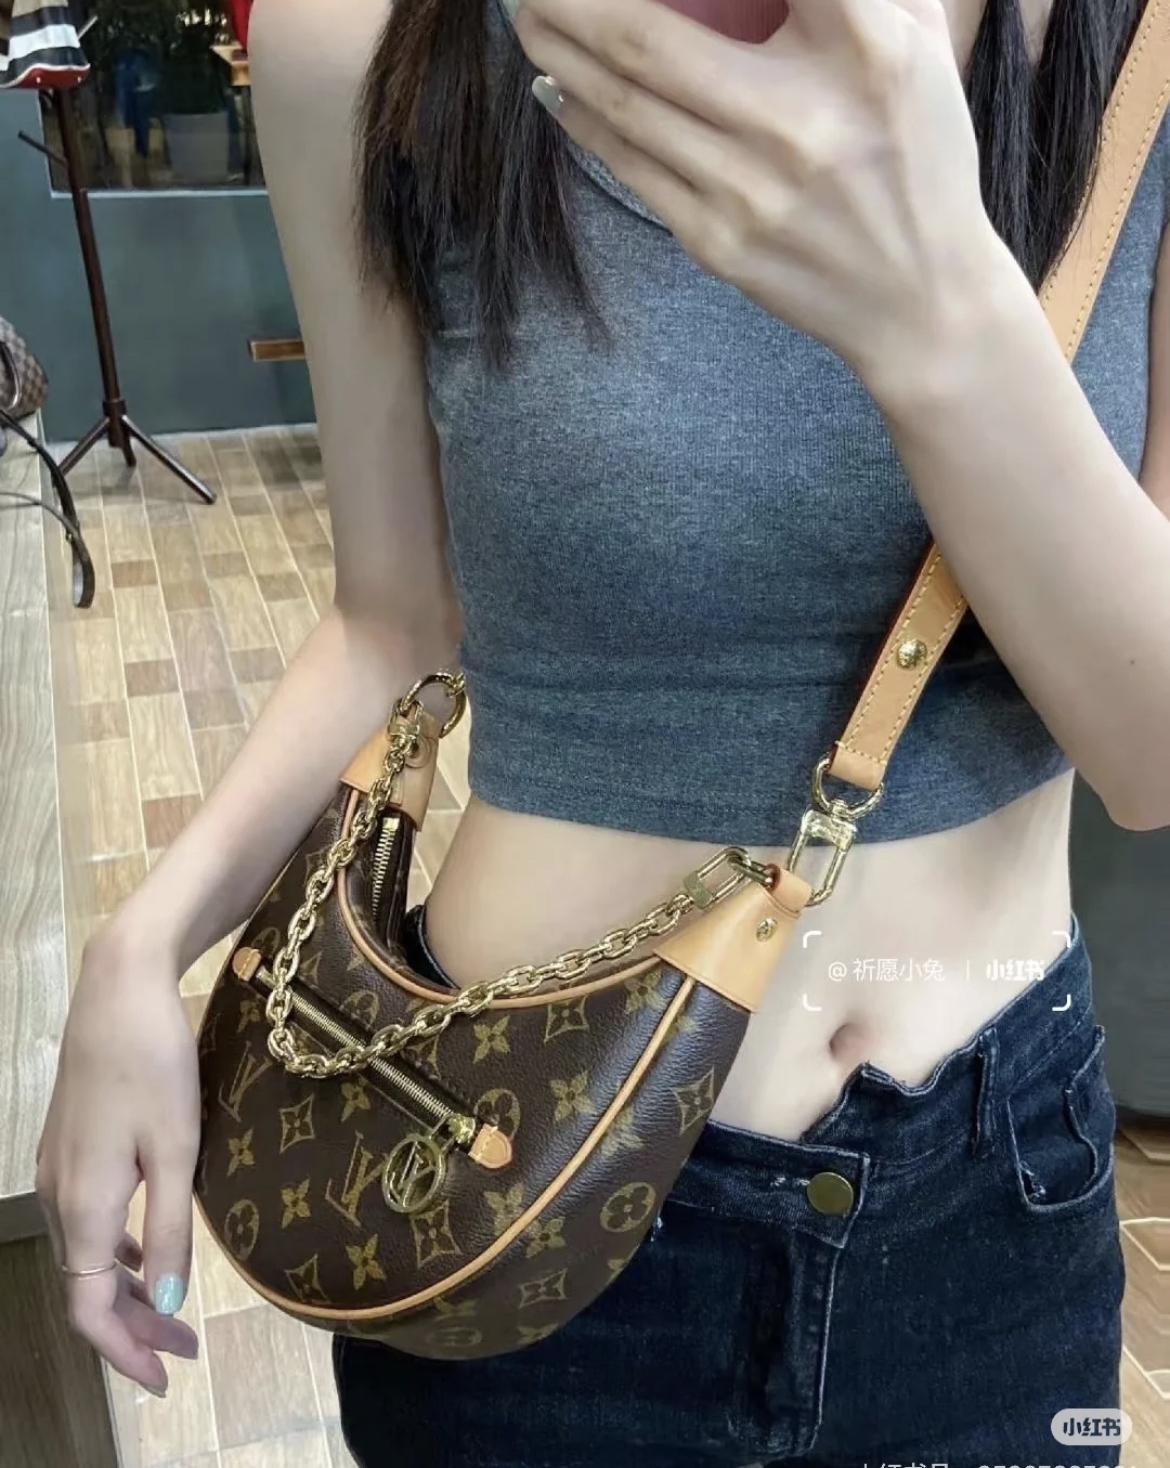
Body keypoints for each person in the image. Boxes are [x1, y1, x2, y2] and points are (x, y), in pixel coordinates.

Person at [36, 0, 1170, 1463]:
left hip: (989, 1196)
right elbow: (390, 620)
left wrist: (934, 308)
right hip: (510, 1180)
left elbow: (1148, 755)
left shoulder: (1137, 48)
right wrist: (142, 945)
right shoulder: (372, 36)